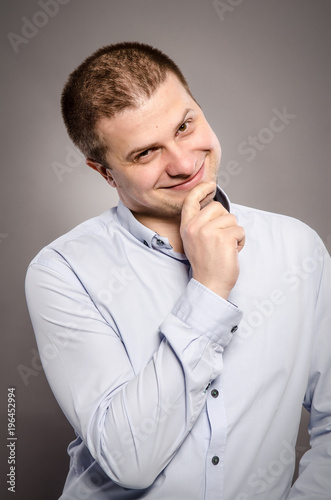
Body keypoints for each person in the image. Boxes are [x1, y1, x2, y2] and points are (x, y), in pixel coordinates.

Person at [25, 42, 331, 499]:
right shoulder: (62, 272)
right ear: (105, 172)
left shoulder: (297, 248)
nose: (186, 164)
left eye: (186, 125)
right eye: (146, 153)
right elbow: (129, 461)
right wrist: (208, 289)